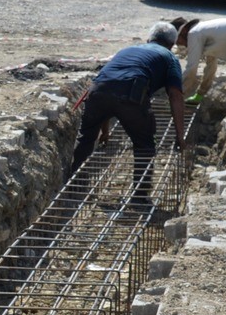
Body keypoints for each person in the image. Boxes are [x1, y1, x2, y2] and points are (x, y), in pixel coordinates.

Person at [68, 21, 189, 204]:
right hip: (131, 94)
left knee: (85, 139)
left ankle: (75, 190)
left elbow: (109, 85)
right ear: (171, 44)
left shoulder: (126, 50)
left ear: (149, 38)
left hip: (97, 90)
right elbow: (175, 95)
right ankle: (139, 197)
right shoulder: (170, 58)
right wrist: (180, 135)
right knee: (145, 145)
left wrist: (105, 130)